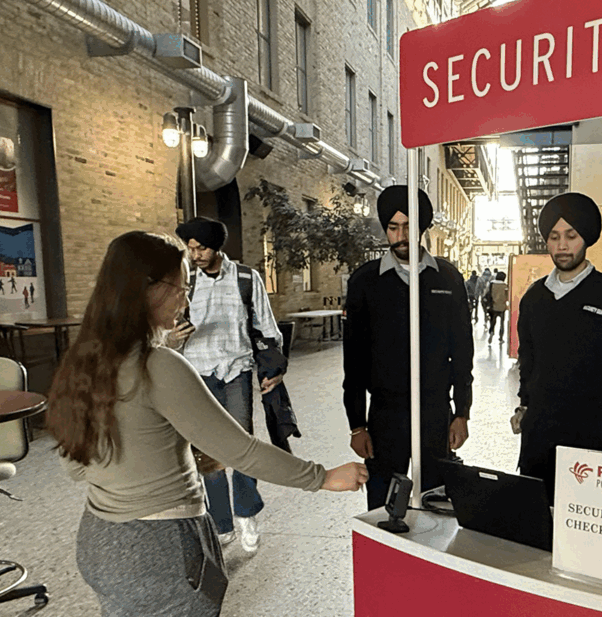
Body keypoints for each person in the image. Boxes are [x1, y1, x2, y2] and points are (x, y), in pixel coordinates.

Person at [49, 230, 365, 617]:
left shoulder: (82, 359)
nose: (186, 297)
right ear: (147, 290)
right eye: (180, 287)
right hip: (161, 549)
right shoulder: (159, 365)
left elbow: (76, 464)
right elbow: (241, 450)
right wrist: (323, 477)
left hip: (100, 540)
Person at [343, 185, 474, 509]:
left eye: (408, 226)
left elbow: (462, 351)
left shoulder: (447, 278)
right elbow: (354, 360)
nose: (400, 235)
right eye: (393, 227)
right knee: (383, 503)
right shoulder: (365, 281)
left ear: (421, 228)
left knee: (437, 500)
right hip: (386, 414)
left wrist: (462, 413)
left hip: (435, 412)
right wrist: (357, 424)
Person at [512, 193, 602, 486]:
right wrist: (523, 405)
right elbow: (528, 360)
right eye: (554, 236)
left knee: (582, 519)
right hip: (538, 432)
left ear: (586, 238)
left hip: (587, 431)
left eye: (571, 236)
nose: (562, 245)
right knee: (535, 516)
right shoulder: (534, 298)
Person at [171, 216, 284, 550]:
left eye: (201, 247)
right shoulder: (184, 280)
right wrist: (172, 337)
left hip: (237, 370)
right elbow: (160, 331)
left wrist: (274, 368)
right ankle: (221, 523)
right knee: (207, 450)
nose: (195, 254)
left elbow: (266, 326)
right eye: (190, 248)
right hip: (197, 373)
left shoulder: (247, 279)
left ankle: (246, 512)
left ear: (216, 246)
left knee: (241, 446)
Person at [484, 270, 509, 342]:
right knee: (502, 323)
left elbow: (486, 293)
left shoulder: (491, 284)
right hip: (502, 307)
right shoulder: (505, 285)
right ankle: (501, 337)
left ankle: (491, 332)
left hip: (493, 306)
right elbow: (507, 297)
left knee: (493, 321)